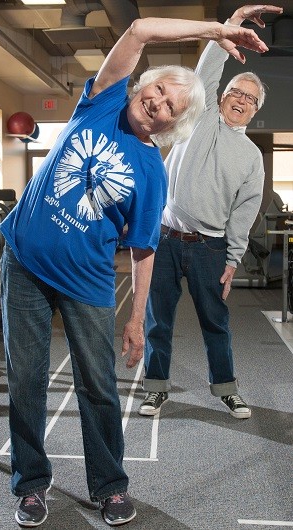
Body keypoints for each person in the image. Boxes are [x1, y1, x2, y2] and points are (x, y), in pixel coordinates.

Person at [0, 13, 270, 528]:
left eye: (172, 105)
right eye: (160, 89)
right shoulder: (101, 101)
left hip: (88, 283)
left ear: (174, 124)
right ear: (145, 84)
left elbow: (144, 250)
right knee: (25, 379)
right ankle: (31, 484)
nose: (160, 101)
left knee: (98, 385)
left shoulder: (150, 171)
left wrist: (136, 319)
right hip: (25, 264)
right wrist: (215, 29)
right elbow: (141, 30)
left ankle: (109, 486)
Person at [139, 4, 283, 422]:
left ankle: (226, 390)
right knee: (157, 321)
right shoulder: (198, 119)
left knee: (215, 324)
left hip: (210, 248)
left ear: (255, 110)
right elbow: (208, 66)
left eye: (250, 99)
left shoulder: (252, 158)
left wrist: (234, 258)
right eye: (236, 92)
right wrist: (233, 23)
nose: (241, 100)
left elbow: (245, 211)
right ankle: (156, 389)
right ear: (221, 97)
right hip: (165, 238)